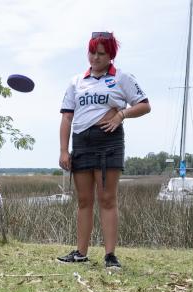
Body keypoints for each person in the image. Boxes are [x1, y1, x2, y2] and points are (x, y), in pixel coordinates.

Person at [57, 31, 150, 269]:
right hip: (82, 143)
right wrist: (63, 150)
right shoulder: (76, 81)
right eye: (92, 52)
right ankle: (80, 253)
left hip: (109, 142)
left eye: (101, 54)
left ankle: (110, 255)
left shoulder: (122, 78)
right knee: (84, 200)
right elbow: (67, 118)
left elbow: (144, 105)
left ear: (111, 55)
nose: (95, 58)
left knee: (107, 199)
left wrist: (121, 114)